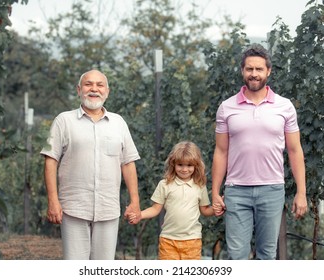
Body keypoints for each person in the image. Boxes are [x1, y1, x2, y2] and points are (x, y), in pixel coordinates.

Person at [211, 43, 308, 260]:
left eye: (259, 69)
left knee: (267, 255)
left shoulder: (285, 107)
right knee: (236, 256)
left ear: (268, 71)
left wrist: (301, 192)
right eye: (249, 69)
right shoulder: (227, 108)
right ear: (242, 71)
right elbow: (221, 151)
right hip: (236, 191)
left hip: (272, 190)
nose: (254, 74)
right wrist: (215, 192)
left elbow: (294, 150)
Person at [40, 69, 141, 260]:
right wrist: (53, 200)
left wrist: (135, 202)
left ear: (107, 91)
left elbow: (128, 163)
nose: (94, 89)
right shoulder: (64, 121)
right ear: (79, 89)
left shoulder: (118, 123)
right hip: (73, 208)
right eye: (88, 84)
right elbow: (50, 161)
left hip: (108, 209)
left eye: (100, 85)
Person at [128, 141, 215, 260]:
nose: (184, 169)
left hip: (192, 240)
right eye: (180, 164)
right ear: (173, 164)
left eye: (189, 165)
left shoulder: (200, 186)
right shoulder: (165, 184)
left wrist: (217, 208)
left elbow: (205, 210)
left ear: (196, 166)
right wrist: (140, 215)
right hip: (168, 240)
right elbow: (155, 209)